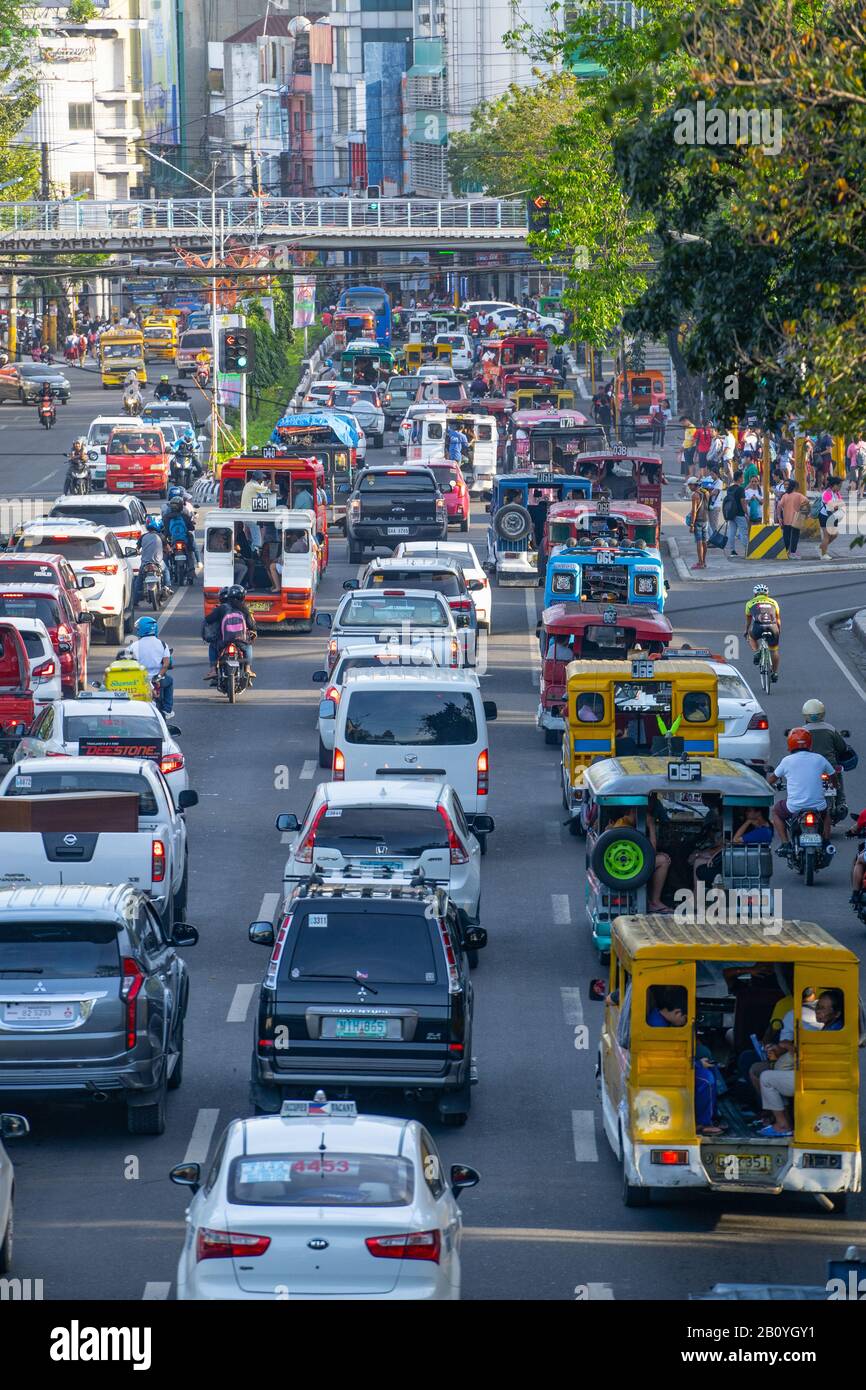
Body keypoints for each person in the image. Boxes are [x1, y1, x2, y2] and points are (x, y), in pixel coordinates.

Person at [768, 726, 835, 847]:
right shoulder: (819, 758)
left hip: (794, 808)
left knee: (776, 812)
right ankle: (826, 841)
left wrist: (765, 786)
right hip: (818, 807)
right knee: (826, 815)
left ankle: (785, 843)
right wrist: (834, 784)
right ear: (810, 743)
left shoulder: (786, 761)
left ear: (790, 743)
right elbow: (833, 775)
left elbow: (771, 779)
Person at [204, 584, 257, 681]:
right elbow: (252, 626)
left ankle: (213, 670)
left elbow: (209, 620)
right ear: (243, 597)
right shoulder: (244, 609)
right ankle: (248, 669)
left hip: (223, 641)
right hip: (241, 641)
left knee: (212, 646)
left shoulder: (222, 608)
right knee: (248, 646)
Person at [125, 615, 174, 717]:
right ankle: (167, 710)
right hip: (157, 681)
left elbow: (128, 665)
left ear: (141, 630)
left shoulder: (133, 646)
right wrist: (158, 677)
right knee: (170, 681)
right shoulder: (163, 644)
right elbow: (166, 663)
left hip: (139, 682)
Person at [744, 583, 781, 678]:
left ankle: (757, 652)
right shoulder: (774, 602)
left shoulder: (749, 603)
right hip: (773, 627)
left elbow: (748, 620)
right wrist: (778, 631)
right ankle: (775, 673)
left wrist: (746, 631)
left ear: (755, 594)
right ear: (767, 594)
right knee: (774, 650)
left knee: (751, 636)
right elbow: (778, 620)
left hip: (759, 627)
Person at [134, 517, 171, 603]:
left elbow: (137, 549)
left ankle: (135, 601)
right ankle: (167, 586)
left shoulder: (143, 537)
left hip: (145, 564)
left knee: (138, 582)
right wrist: (169, 551)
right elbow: (168, 548)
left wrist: (138, 552)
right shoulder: (161, 536)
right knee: (166, 571)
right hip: (158, 563)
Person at [775, 478, 808, 556]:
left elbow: (779, 507)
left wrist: (779, 517)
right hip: (797, 519)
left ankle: (786, 551)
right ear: (794, 487)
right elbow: (806, 502)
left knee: (786, 536)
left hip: (786, 519)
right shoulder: (799, 495)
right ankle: (793, 552)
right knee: (795, 536)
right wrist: (803, 512)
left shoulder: (785, 496)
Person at [723, 468, 748, 555]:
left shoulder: (729, 489)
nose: (743, 479)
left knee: (732, 532)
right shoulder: (741, 489)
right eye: (742, 477)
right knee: (744, 532)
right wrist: (747, 513)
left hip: (731, 514)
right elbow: (743, 502)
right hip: (740, 514)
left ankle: (732, 551)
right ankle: (747, 550)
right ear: (739, 478)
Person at [818, 476, 844, 559]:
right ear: (834, 485)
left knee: (835, 534)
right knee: (827, 535)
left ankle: (821, 547)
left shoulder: (836, 493)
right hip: (825, 516)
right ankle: (823, 554)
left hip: (833, 516)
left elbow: (840, 503)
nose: (840, 487)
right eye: (839, 486)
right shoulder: (827, 493)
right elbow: (830, 507)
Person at [686, 477, 709, 569]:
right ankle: (704, 561)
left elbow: (694, 511)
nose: (689, 487)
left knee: (699, 542)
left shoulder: (695, 495)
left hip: (698, 521)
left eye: (689, 485)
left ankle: (700, 563)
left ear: (693, 485)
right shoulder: (706, 493)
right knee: (704, 542)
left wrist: (692, 524)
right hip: (705, 520)